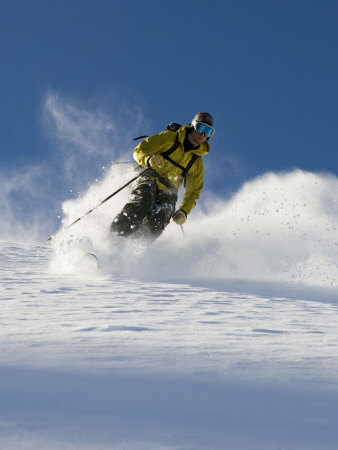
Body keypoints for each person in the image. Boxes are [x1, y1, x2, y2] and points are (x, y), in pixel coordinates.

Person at [110, 112, 214, 241]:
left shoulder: (196, 162)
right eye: (201, 128)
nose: (202, 134)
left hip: (168, 192)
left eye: (208, 131)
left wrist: (184, 211)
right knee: (143, 201)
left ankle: (134, 248)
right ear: (193, 126)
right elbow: (140, 150)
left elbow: (193, 191)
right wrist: (148, 159)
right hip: (150, 177)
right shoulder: (169, 138)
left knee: (161, 217)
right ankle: (116, 236)